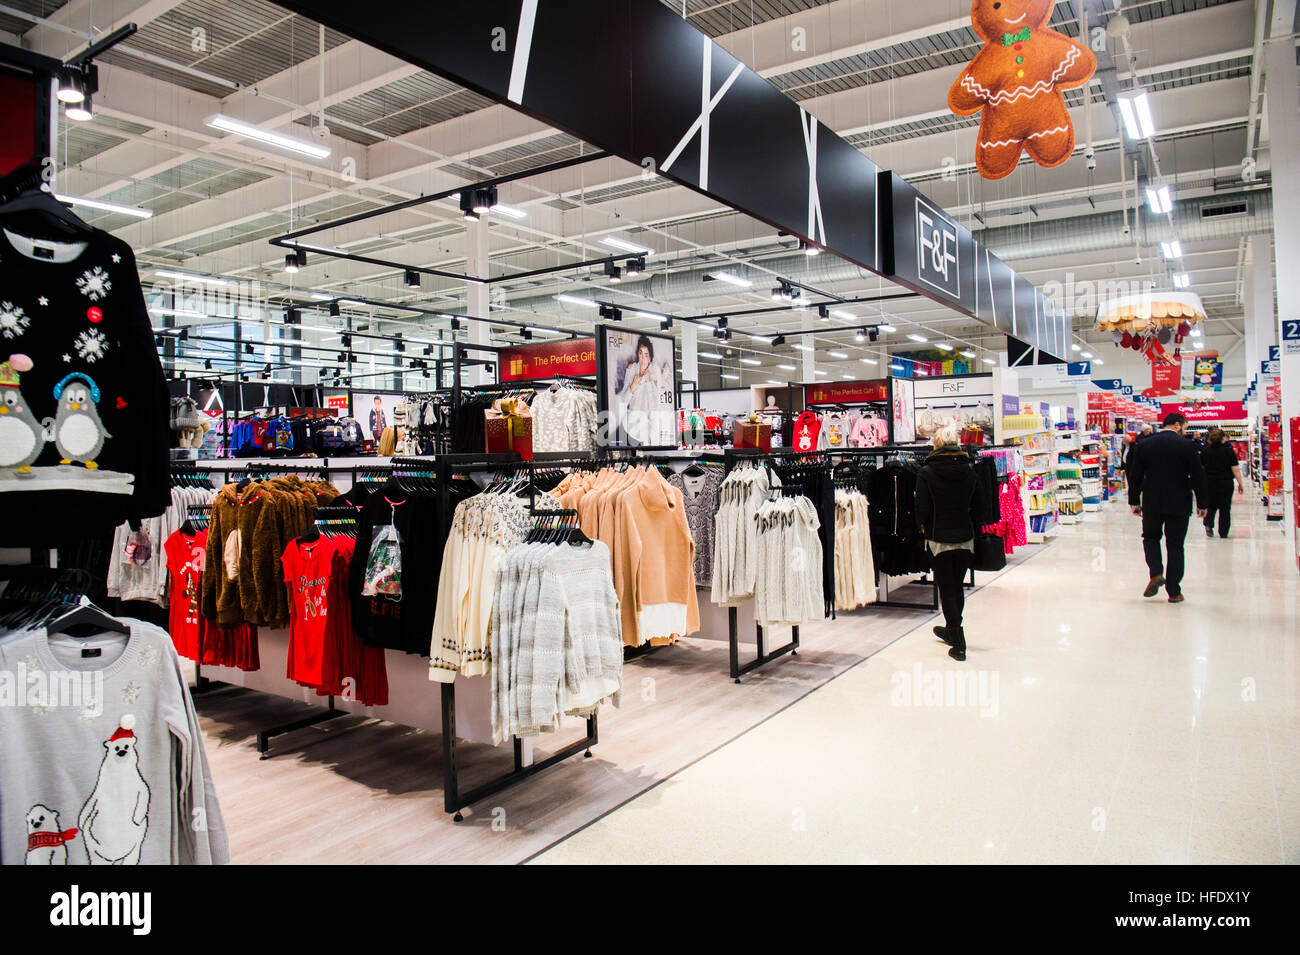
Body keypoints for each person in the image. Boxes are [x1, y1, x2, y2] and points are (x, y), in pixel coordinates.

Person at [915, 423, 985, 661]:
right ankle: (951, 628)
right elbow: (980, 507)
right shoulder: (970, 470)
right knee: (956, 585)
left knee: (946, 588)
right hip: (965, 537)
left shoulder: (926, 472)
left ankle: (958, 639)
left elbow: (921, 509)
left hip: (939, 538)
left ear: (936, 444)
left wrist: (921, 528)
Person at [1126, 412, 1208, 603]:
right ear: (1178, 425)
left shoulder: (1144, 445)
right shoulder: (1187, 445)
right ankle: (1174, 591)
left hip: (1152, 501)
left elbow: (1135, 475)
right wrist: (1203, 503)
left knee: (1150, 537)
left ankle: (1155, 573)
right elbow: (1197, 476)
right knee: (1175, 545)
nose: (1185, 431)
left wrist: (1134, 501)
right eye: (1185, 427)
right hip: (1179, 502)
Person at [1199, 427, 1245, 538]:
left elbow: (1201, 467)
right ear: (1223, 438)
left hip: (1209, 482)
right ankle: (1223, 532)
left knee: (1211, 505)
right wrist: (1240, 483)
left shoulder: (1205, 450)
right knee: (1225, 508)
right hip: (1226, 482)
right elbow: (1235, 468)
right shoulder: (1229, 450)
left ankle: (1208, 524)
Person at [619, 335, 664, 445]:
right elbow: (624, 400)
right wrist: (632, 387)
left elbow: (656, 402)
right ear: (637, 354)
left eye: (646, 354)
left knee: (653, 454)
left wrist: (649, 381)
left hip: (651, 424)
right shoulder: (632, 368)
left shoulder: (655, 370)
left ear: (650, 357)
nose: (643, 358)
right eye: (640, 353)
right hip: (633, 425)